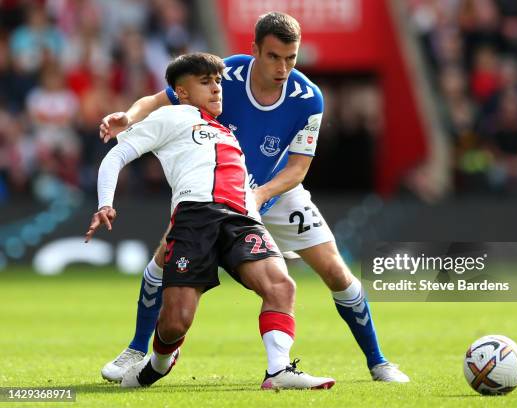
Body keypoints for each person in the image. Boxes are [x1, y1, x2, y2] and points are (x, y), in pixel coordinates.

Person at [99, 12, 409, 383]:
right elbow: (158, 99)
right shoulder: (225, 75)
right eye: (274, 57)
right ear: (255, 51)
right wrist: (129, 117)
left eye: (291, 58)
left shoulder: (308, 97)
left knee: (335, 271)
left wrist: (260, 194)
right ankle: (136, 348)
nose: (283, 68)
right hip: (216, 194)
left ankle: (378, 362)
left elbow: (298, 167)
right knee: (164, 256)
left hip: (275, 192)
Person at [86, 52, 335, 390]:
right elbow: (116, 155)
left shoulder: (226, 132)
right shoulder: (172, 117)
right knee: (176, 323)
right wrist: (105, 203)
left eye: (218, 81)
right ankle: (155, 365)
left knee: (281, 286)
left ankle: (278, 371)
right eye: (206, 82)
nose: (217, 88)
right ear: (182, 92)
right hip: (195, 218)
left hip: (242, 218)